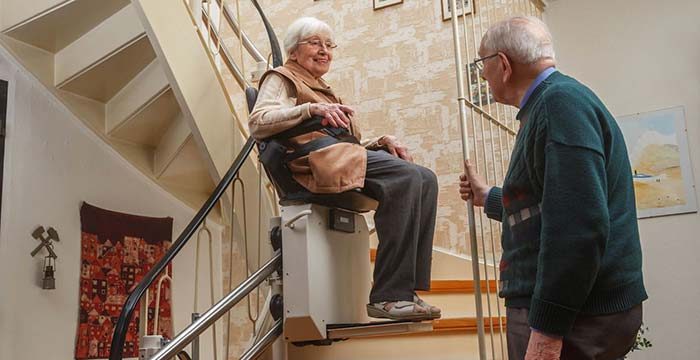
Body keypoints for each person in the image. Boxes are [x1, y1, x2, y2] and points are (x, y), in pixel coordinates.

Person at [458, 16, 647, 360]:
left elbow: (577, 226)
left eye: (481, 63)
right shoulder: (555, 103)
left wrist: (547, 330)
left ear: (502, 64)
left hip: (577, 316)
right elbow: (552, 205)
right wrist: (487, 197)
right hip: (577, 312)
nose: (481, 74)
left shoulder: (559, 105)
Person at [249, 17, 440, 321]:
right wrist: (309, 108)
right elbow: (258, 121)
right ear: (293, 52)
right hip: (311, 164)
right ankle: (389, 296)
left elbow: (347, 143)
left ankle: (405, 291)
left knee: (425, 178)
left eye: (328, 45)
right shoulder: (282, 77)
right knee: (405, 177)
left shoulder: (324, 89)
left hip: (337, 156)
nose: (324, 51)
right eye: (314, 43)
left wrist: (380, 141)